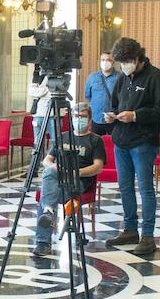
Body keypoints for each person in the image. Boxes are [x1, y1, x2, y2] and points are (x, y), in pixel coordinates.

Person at [104, 37, 160, 256]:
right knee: (124, 187)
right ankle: (130, 229)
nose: (124, 66)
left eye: (127, 61)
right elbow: (115, 104)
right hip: (121, 140)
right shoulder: (123, 79)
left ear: (138, 57)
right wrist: (111, 116)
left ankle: (148, 235)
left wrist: (135, 115)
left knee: (145, 188)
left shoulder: (156, 76)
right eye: (121, 63)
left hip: (143, 141)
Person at [32, 102, 106, 257]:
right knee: (49, 173)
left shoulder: (95, 140)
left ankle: (43, 237)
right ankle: (47, 223)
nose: (79, 119)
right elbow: (46, 160)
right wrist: (57, 167)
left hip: (78, 183)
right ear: (72, 118)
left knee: (46, 197)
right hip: (59, 180)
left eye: (83, 117)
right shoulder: (63, 137)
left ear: (90, 119)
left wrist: (74, 172)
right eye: (76, 116)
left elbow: (98, 166)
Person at [84, 51, 121, 136]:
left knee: (114, 145)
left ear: (113, 62)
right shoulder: (92, 77)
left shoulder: (120, 77)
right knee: (96, 144)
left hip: (114, 118)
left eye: (108, 60)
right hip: (96, 117)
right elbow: (88, 95)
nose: (105, 62)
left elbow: (123, 97)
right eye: (103, 60)